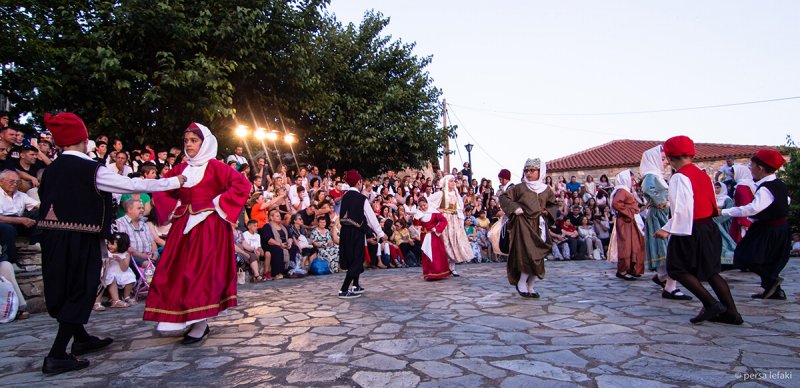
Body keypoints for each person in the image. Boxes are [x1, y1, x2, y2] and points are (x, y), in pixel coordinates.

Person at [37, 112, 185, 374]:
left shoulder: (51, 169)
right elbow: (128, 183)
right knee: (80, 289)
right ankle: (57, 354)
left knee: (65, 287)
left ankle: (80, 339)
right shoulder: (90, 169)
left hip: (52, 238)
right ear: (83, 140)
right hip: (80, 238)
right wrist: (175, 181)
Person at [144, 123, 249, 344]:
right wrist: (174, 207)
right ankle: (184, 318)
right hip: (183, 228)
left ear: (204, 143)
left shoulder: (216, 167)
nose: (189, 145)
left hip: (209, 228)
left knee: (201, 273)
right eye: (186, 141)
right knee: (177, 272)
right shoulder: (181, 169)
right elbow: (162, 187)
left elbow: (241, 184)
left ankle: (200, 323)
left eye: (194, 141)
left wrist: (216, 204)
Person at [655, 136, 741, 325]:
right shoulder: (703, 175)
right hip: (708, 227)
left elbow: (683, 208)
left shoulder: (679, 177)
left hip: (689, 229)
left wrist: (667, 229)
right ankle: (732, 313)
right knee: (711, 272)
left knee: (676, 269)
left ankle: (711, 304)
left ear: (670, 157)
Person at [722, 149, 790, 301]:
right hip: (780, 227)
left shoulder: (766, 188)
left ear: (760, 168)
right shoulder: (779, 184)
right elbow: (787, 202)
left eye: (751, 165)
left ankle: (771, 281)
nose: (749, 169)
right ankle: (775, 291)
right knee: (770, 260)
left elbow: (753, 208)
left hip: (768, 229)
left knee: (744, 257)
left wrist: (725, 212)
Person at [498, 158, 558, 298]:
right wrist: (515, 208)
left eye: (532, 170)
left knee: (538, 255)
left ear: (540, 171)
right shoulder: (519, 188)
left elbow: (553, 205)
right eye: (527, 170)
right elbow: (504, 198)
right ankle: (522, 282)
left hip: (539, 226)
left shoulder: (546, 190)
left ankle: (531, 285)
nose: (529, 173)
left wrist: (547, 212)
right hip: (523, 225)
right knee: (528, 254)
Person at [639, 145, 691, 300]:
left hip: (662, 213)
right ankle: (668, 283)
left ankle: (665, 279)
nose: (666, 162)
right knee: (666, 248)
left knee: (667, 247)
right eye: (662, 159)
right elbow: (648, 189)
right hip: (658, 215)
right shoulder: (651, 175)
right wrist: (662, 202)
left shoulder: (657, 175)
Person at [337, 170, 385, 299]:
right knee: (357, 260)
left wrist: (369, 233)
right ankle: (343, 289)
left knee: (353, 258)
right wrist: (380, 233)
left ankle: (356, 285)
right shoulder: (361, 198)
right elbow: (371, 218)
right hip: (356, 232)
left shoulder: (345, 197)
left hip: (345, 231)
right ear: (358, 182)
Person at [427, 175, 473, 276]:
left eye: (454, 181)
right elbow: (428, 202)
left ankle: (452, 267)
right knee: (445, 242)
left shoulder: (456, 194)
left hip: (454, 220)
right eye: (451, 181)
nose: (453, 183)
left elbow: (459, 208)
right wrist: (438, 210)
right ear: (447, 183)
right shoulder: (441, 193)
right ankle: (443, 267)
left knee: (454, 242)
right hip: (445, 220)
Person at [610, 170, 645, 281]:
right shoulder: (622, 191)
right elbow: (616, 203)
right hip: (626, 221)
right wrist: (629, 213)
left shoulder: (625, 191)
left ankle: (631, 268)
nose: (633, 181)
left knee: (633, 244)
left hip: (630, 221)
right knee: (626, 245)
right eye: (631, 179)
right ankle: (623, 270)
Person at [95, 232, 137, 310]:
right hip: (109, 272)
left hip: (121, 272)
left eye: (112, 244)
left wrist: (120, 260)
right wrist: (108, 261)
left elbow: (125, 268)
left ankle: (126, 296)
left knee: (130, 276)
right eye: (108, 244)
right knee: (111, 278)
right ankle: (115, 300)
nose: (109, 246)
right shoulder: (107, 253)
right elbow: (103, 266)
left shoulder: (125, 254)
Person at [412, 197, 450, 280]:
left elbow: (444, 221)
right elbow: (416, 224)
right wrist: (416, 217)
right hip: (425, 236)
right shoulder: (419, 213)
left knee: (435, 254)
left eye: (424, 205)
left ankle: (438, 272)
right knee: (426, 254)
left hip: (434, 236)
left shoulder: (434, 212)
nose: (423, 207)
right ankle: (429, 273)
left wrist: (436, 228)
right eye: (421, 206)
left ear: (427, 204)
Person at [729, 164, 756, 243]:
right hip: (742, 216)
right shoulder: (748, 184)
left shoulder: (742, 187)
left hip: (742, 218)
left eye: (733, 173)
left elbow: (745, 203)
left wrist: (743, 221)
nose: (731, 175)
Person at [713, 182, 737, 268]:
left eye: (718, 188)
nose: (716, 190)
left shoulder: (727, 199)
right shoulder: (713, 197)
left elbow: (729, 212)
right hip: (715, 223)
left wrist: (718, 221)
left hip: (723, 224)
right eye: (715, 188)